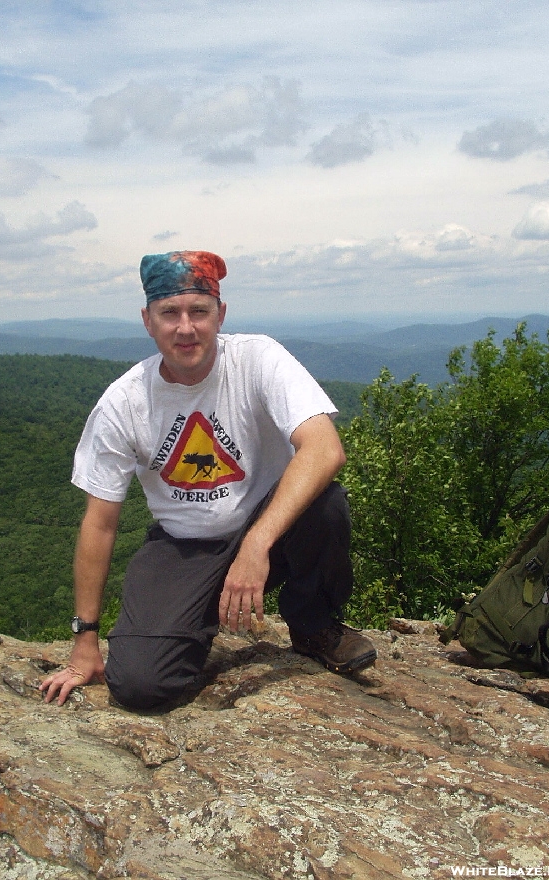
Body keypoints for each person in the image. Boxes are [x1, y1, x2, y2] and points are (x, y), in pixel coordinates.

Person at [40, 250, 376, 710]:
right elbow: (99, 524)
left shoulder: (257, 359)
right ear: (147, 320)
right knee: (141, 687)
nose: (185, 327)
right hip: (184, 544)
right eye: (169, 313)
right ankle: (191, 620)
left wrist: (256, 546)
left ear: (221, 315)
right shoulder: (125, 402)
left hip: (270, 529)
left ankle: (314, 624)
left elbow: (324, 448)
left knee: (324, 503)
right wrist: (85, 640)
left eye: (199, 311)